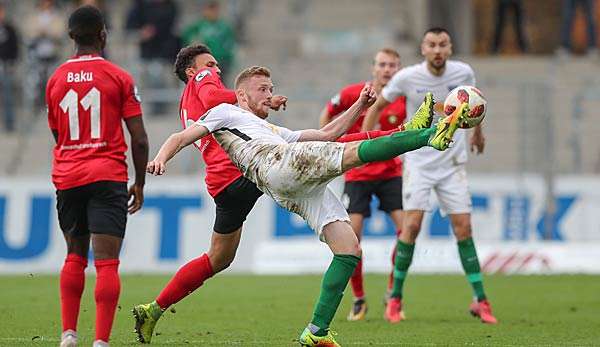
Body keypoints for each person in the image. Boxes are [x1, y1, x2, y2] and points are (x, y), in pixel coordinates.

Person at [146, 65, 469, 346]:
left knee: (348, 249)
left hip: (290, 184)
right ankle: (426, 135)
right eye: (262, 89)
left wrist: (358, 105)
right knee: (353, 154)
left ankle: (316, 331)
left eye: (271, 88)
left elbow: (328, 133)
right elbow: (179, 137)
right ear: (241, 96)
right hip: (276, 164)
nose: (269, 94)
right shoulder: (225, 112)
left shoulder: (273, 129)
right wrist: (161, 158)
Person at [132, 44, 287, 343]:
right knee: (301, 154)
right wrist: (250, 96)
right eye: (210, 64)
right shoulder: (203, 80)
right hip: (239, 172)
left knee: (219, 258)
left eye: (215, 66)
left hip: (223, 183)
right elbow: (214, 96)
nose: (216, 70)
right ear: (193, 70)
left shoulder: (185, 104)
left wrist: (259, 99)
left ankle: (153, 309)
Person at [362, 27, 496, 325]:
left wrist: (478, 133)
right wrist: (366, 141)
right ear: (423, 49)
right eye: (432, 45)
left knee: (464, 229)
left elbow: (475, 106)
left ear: (450, 48)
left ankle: (480, 300)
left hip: (452, 164)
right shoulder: (408, 77)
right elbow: (379, 105)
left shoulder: (464, 72)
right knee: (411, 227)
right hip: (419, 164)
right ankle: (394, 298)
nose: (437, 50)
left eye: (443, 44)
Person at [46, 5, 149, 347]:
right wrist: (140, 182)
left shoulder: (55, 79)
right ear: (103, 35)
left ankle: (68, 335)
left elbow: (58, 134)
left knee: (74, 256)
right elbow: (140, 137)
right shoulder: (119, 77)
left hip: (69, 175)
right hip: (107, 175)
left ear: (71, 36)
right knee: (107, 263)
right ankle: (101, 342)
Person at [319, 47, 406, 321]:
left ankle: (394, 294)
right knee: (353, 238)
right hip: (358, 175)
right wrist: (328, 144)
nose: (387, 69)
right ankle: (359, 298)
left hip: (391, 173)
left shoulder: (403, 98)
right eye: (382, 64)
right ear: (373, 68)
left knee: (407, 232)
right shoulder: (354, 93)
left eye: (392, 65)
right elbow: (327, 113)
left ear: (398, 69)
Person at [182, 0, 236, 82]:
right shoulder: (200, 25)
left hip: (221, 60)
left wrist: (228, 57)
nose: (213, 13)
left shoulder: (223, 26)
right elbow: (186, 35)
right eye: (210, 10)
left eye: (215, 11)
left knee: (221, 83)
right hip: (205, 61)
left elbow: (230, 43)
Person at [0, 2, 19, 132]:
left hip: (6, 65)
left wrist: (13, 62)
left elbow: (15, 47)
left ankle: (9, 123)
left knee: (8, 96)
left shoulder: (9, 29)